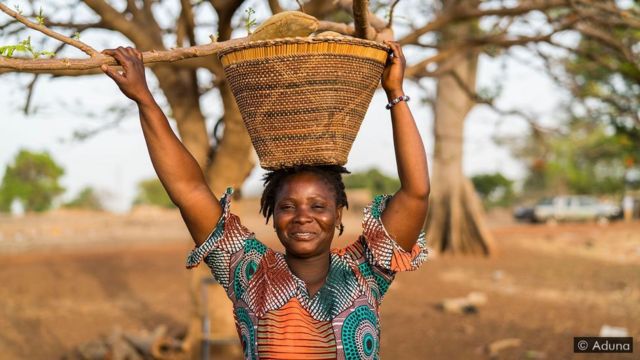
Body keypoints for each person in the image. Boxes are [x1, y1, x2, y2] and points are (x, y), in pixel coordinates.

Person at [101, 40, 430, 359]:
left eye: (318, 206)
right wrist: (144, 99)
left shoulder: (365, 270)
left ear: (339, 214)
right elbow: (189, 191)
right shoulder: (248, 271)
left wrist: (395, 93)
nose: (303, 216)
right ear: (272, 214)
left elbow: (416, 193)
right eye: (288, 206)